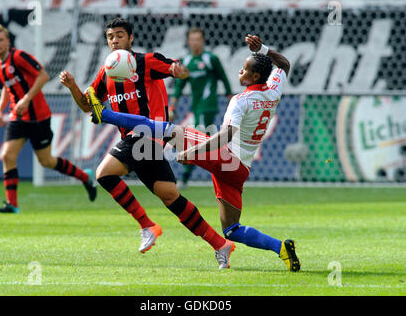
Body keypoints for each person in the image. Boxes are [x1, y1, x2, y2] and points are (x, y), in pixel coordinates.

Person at [88, 34, 301, 272]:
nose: (240, 72)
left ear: (255, 77)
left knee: (167, 130)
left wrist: (192, 152)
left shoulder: (241, 101)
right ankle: (281, 248)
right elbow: (284, 64)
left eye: (244, 70)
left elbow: (225, 136)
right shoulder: (273, 89)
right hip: (240, 170)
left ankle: (105, 115)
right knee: (232, 230)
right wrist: (264, 49)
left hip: (226, 157)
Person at [59, 18, 235, 269]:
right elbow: (89, 106)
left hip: (147, 135)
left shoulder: (145, 61)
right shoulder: (107, 72)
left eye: (120, 35)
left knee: (104, 174)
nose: (114, 40)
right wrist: (73, 87)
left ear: (131, 38)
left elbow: (176, 68)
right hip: (140, 142)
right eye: (110, 36)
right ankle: (221, 244)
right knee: (170, 196)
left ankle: (147, 225)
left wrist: (179, 71)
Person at [0, 24, 97, 214]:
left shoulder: (19, 57)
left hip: (39, 117)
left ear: (8, 41)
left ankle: (84, 176)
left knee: (46, 161)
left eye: (0, 40)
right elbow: (7, 87)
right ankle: (12, 204)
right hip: (18, 117)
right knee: (7, 155)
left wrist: (26, 98)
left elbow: (43, 75)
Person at [170, 27, 232, 189]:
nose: (195, 42)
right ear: (188, 42)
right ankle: (225, 170)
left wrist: (230, 98)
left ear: (203, 41)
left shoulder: (211, 58)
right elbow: (179, 85)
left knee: (199, 140)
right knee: (208, 141)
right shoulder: (187, 61)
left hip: (208, 106)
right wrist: (172, 105)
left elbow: (224, 78)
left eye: (198, 39)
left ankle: (184, 177)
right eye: (192, 39)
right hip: (197, 107)